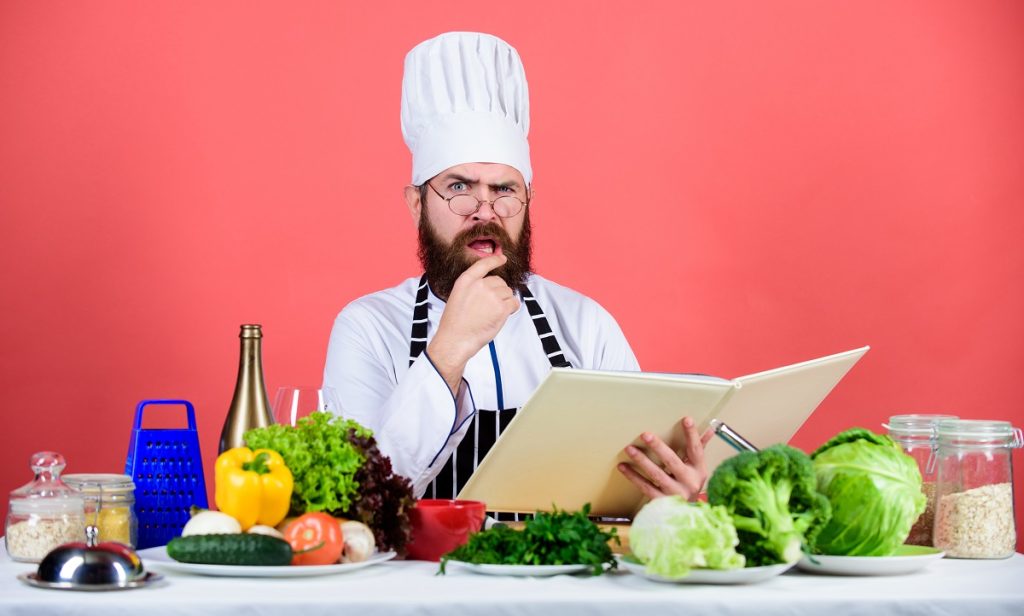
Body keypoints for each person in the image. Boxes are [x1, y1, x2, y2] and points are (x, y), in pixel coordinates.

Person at [323, 31, 711, 503]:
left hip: (566, 575)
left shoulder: (584, 324)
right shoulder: (367, 327)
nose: (484, 211)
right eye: (460, 187)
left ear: (528, 202)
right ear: (416, 204)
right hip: (423, 577)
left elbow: (629, 490)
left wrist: (674, 492)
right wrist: (449, 348)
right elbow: (361, 498)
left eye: (505, 190)